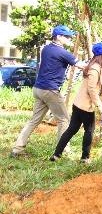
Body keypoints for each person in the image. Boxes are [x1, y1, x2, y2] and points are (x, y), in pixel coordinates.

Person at [10, 25, 86, 158]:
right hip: (50, 90)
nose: (70, 39)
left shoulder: (46, 49)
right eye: (67, 36)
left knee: (34, 120)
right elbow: (81, 66)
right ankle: (63, 150)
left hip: (38, 89)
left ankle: (17, 149)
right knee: (63, 120)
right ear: (58, 37)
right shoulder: (62, 52)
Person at [50, 42, 102, 163]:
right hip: (85, 107)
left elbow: (99, 83)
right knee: (89, 131)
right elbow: (92, 89)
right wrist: (100, 107)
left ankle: (56, 154)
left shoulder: (96, 66)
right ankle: (85, 157)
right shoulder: (95, 68)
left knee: (72, 129)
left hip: (79, 104)